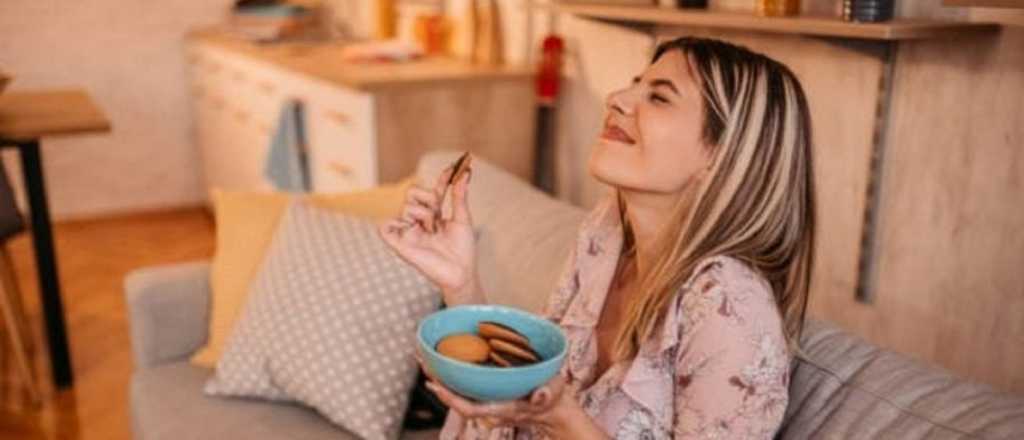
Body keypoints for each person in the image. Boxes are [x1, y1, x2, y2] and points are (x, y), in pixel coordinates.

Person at [379, 36, 816, 439]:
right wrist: (460, 282)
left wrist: (566, 422)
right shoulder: (605, 236)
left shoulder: (730, 307)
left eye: (659, 97)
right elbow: (521, 400)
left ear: (722, 157)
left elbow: (547, 413)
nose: (616, 99)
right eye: (635, 85)